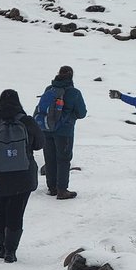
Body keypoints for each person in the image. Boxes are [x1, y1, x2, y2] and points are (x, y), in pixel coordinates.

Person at [0, 89, 44, 263]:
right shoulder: (27, 121)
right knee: (16, 213)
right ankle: (11, 252)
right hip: (23, 176)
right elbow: (39, 144)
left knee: (0, 212)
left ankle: (2, 247)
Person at [38, 65, 87, 199]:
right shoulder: (74, 92)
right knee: (63, 159)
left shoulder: (49, 89)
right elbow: (82, 113)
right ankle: (62, 190)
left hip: (46, 129)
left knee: (50, 158)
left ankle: (51, 187)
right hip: (64, 132)